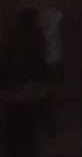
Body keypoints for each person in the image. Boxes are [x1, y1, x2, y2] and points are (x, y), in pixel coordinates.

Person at [1, 9, 49, 157]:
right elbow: (41, 64)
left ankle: (14, 151)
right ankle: (28, 151)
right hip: (31, 89)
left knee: (13, 124)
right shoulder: (37, 38)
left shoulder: (9, 38)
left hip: (13, 89)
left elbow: (4, 63)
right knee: (29, 126)